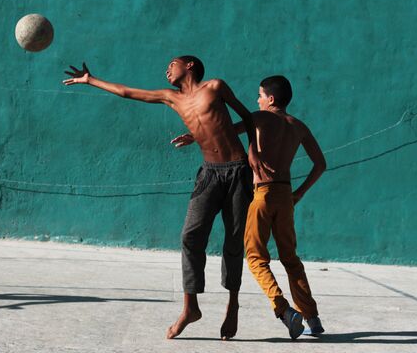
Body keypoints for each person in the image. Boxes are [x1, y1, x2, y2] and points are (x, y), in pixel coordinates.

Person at [63, 57, 270, 340]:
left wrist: (253, 152)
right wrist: (91, 80)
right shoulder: (170, 97)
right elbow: (128, 92)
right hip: (209, 175)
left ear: (189, 66)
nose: (166, 70)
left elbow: (247, 117)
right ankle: (190, 308)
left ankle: (232, 303)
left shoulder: (215, 86)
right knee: (190, 236)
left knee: (233, 242)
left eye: (172, 64)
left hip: (237, 171)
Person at [171, 75, 326, 339]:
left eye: (260, 95)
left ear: (271, 99)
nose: (257, 99)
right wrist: (298, 193)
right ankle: (312, 317)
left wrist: (194, 138)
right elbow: (320, 164)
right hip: (285, 194)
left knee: (255, 258)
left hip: (262, 194)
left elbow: (224, 131)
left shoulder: (260, 118)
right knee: (290, 259)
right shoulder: (299, 126)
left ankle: (285, 310)